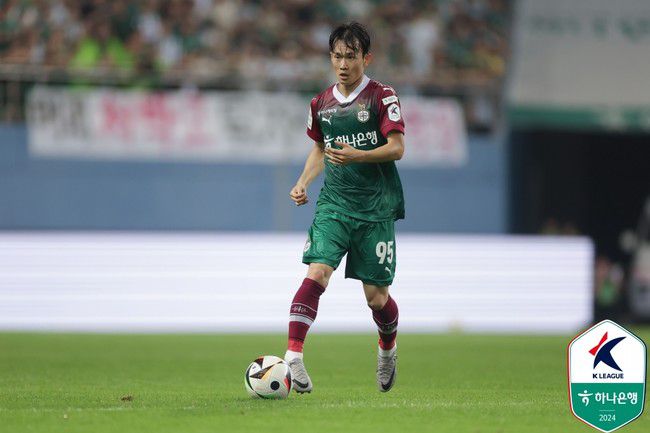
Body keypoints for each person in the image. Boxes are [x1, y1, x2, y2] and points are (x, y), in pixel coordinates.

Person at [285, 22, 405, 393]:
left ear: (366, 58)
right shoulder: (320, 104)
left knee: (376, 298)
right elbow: (320, 149)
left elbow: (397, 148)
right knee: (317, 272)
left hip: (375, 210)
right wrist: (303, 182)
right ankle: (293, 357)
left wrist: (358, 155)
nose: (342, 64)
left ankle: (387, 348)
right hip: (334, 205)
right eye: (337, 56)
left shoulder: (382, 97)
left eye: (350, 56)